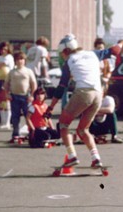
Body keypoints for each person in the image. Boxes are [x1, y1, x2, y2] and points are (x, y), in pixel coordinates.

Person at [46, 34, 113, 168]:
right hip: (98, 95)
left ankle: (72, 156)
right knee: (83, 130)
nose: (62, 56)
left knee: (63, 125)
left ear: (66, 51)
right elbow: (113, 51)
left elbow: (61, 87)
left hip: (83, 93)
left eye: (62, 54)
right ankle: (96, 158)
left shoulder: (69, 61)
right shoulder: (93, 53)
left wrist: (51, 107)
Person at [4, 51, 37, 141]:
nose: (20, 61)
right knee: (15, 117)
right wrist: (7, 94)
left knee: (28, 116)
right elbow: (6, 84)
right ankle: (15, 133)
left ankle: (32, 133)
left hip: (26, 97)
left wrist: (32, 95)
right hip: (14, 97)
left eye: (21, 59)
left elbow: (34, 84)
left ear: (24, 60)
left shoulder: (28, 71)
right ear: (15, 61)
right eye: (18, 59)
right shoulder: (11, 72)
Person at [0, 41, 14, 129]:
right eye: (1, 49)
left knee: (6, 101)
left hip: (7, 80)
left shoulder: (9, 57)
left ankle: (7, 122)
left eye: (5, 49)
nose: (3, 51)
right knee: (0, 101)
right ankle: (2, 122)